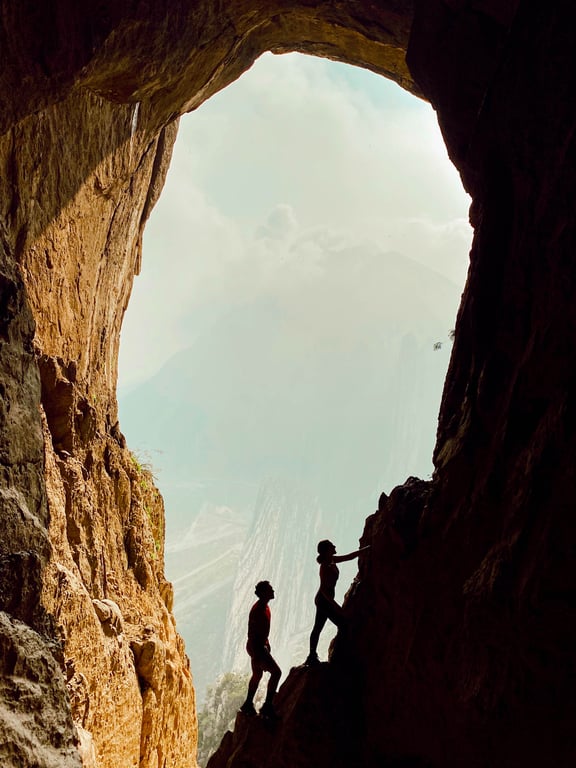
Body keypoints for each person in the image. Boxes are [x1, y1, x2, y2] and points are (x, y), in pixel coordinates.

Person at [305, 539, 370, 666]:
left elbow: (349, 557)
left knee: (319, 627)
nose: (334, 546)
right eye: (331, 546)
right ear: (327, 551)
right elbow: (324, 590)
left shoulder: (331, 560)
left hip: (324, 600)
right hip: (324, 601)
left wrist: (365, 549)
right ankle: (319, 656)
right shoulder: (325, 566)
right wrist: (337, 607)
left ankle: (312, 655)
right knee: (342, 624)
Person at [239, 580, 282, 719]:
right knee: (276, 673)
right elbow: (253, 633)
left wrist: (266, 644)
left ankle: (247, 704)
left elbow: (260, 632)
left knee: (257, 675)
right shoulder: (258, 610)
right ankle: (267, 706)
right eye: (270, 589)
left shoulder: (264, 607)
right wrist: (258, 653)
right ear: (264, 593)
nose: (273, 591)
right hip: (257, 647)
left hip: (256, 646)